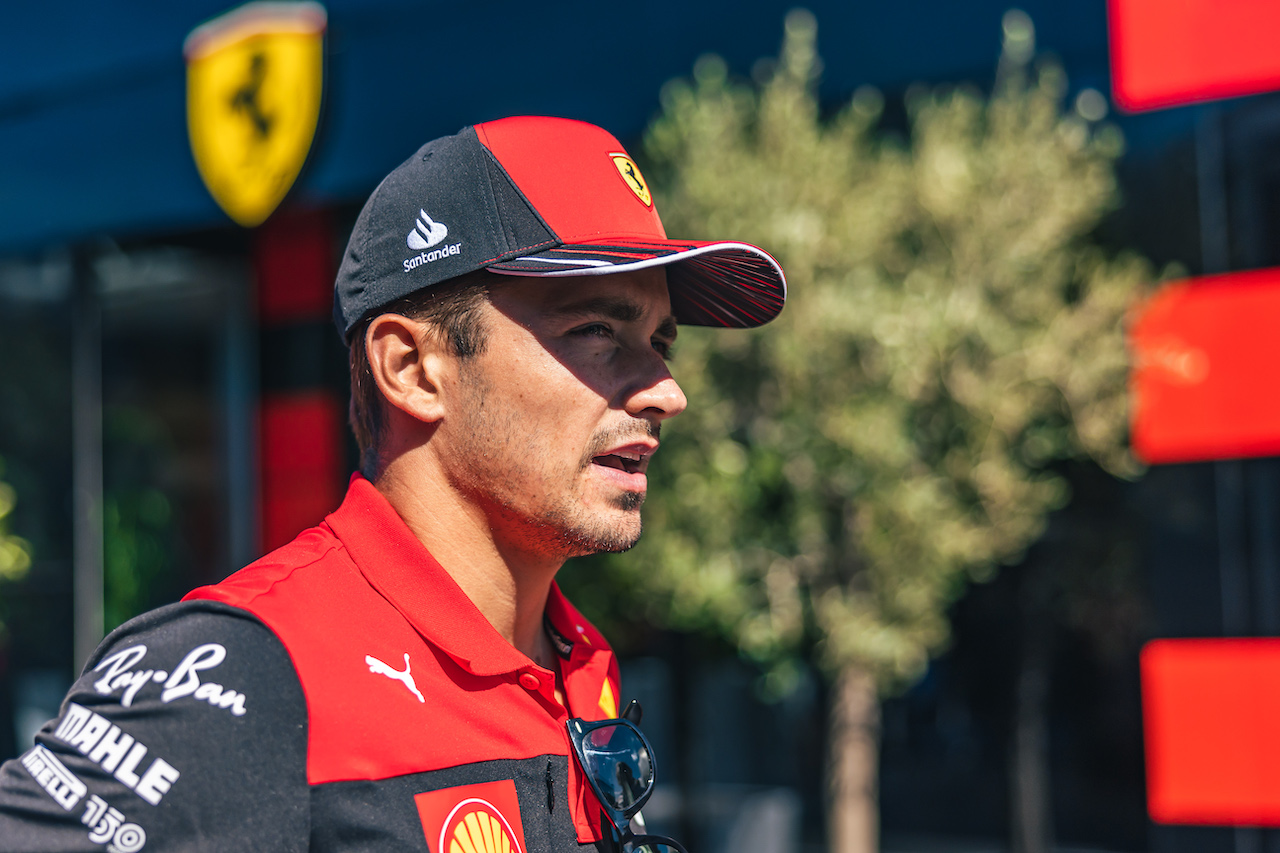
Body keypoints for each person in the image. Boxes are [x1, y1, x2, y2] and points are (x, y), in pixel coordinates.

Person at [0, 115, 785, 852]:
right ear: (411, 368)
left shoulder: (582, 664)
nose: (666, 391)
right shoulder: (243, 673)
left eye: (660, 340)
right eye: (597, 332)